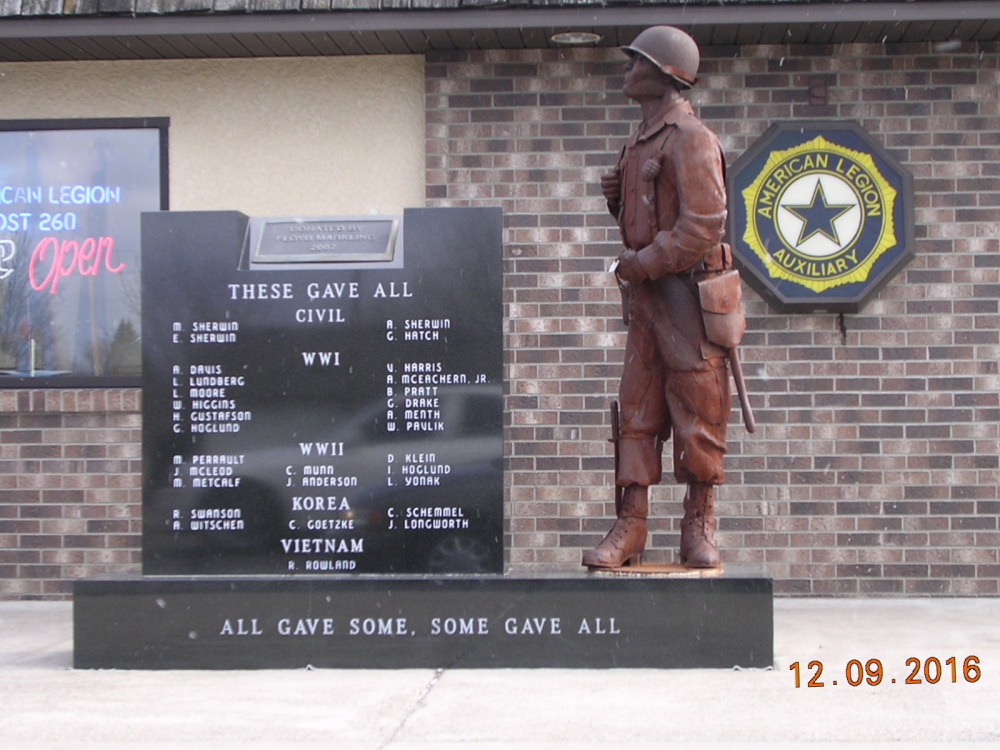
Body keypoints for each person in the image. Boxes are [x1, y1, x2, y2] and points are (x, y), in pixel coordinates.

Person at [582, 26, 733, 570]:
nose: (626, 71)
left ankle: (699, 524)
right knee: (638, 412)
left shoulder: (691, 137)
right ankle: (632, 524)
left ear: (665, 73)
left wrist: (641, 262)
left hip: (687, 299)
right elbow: (647, 222)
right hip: (648, 302)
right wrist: (618, 203)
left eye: (635, 63)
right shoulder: (641, 139)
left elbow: (703, 227)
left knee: (699, 410)